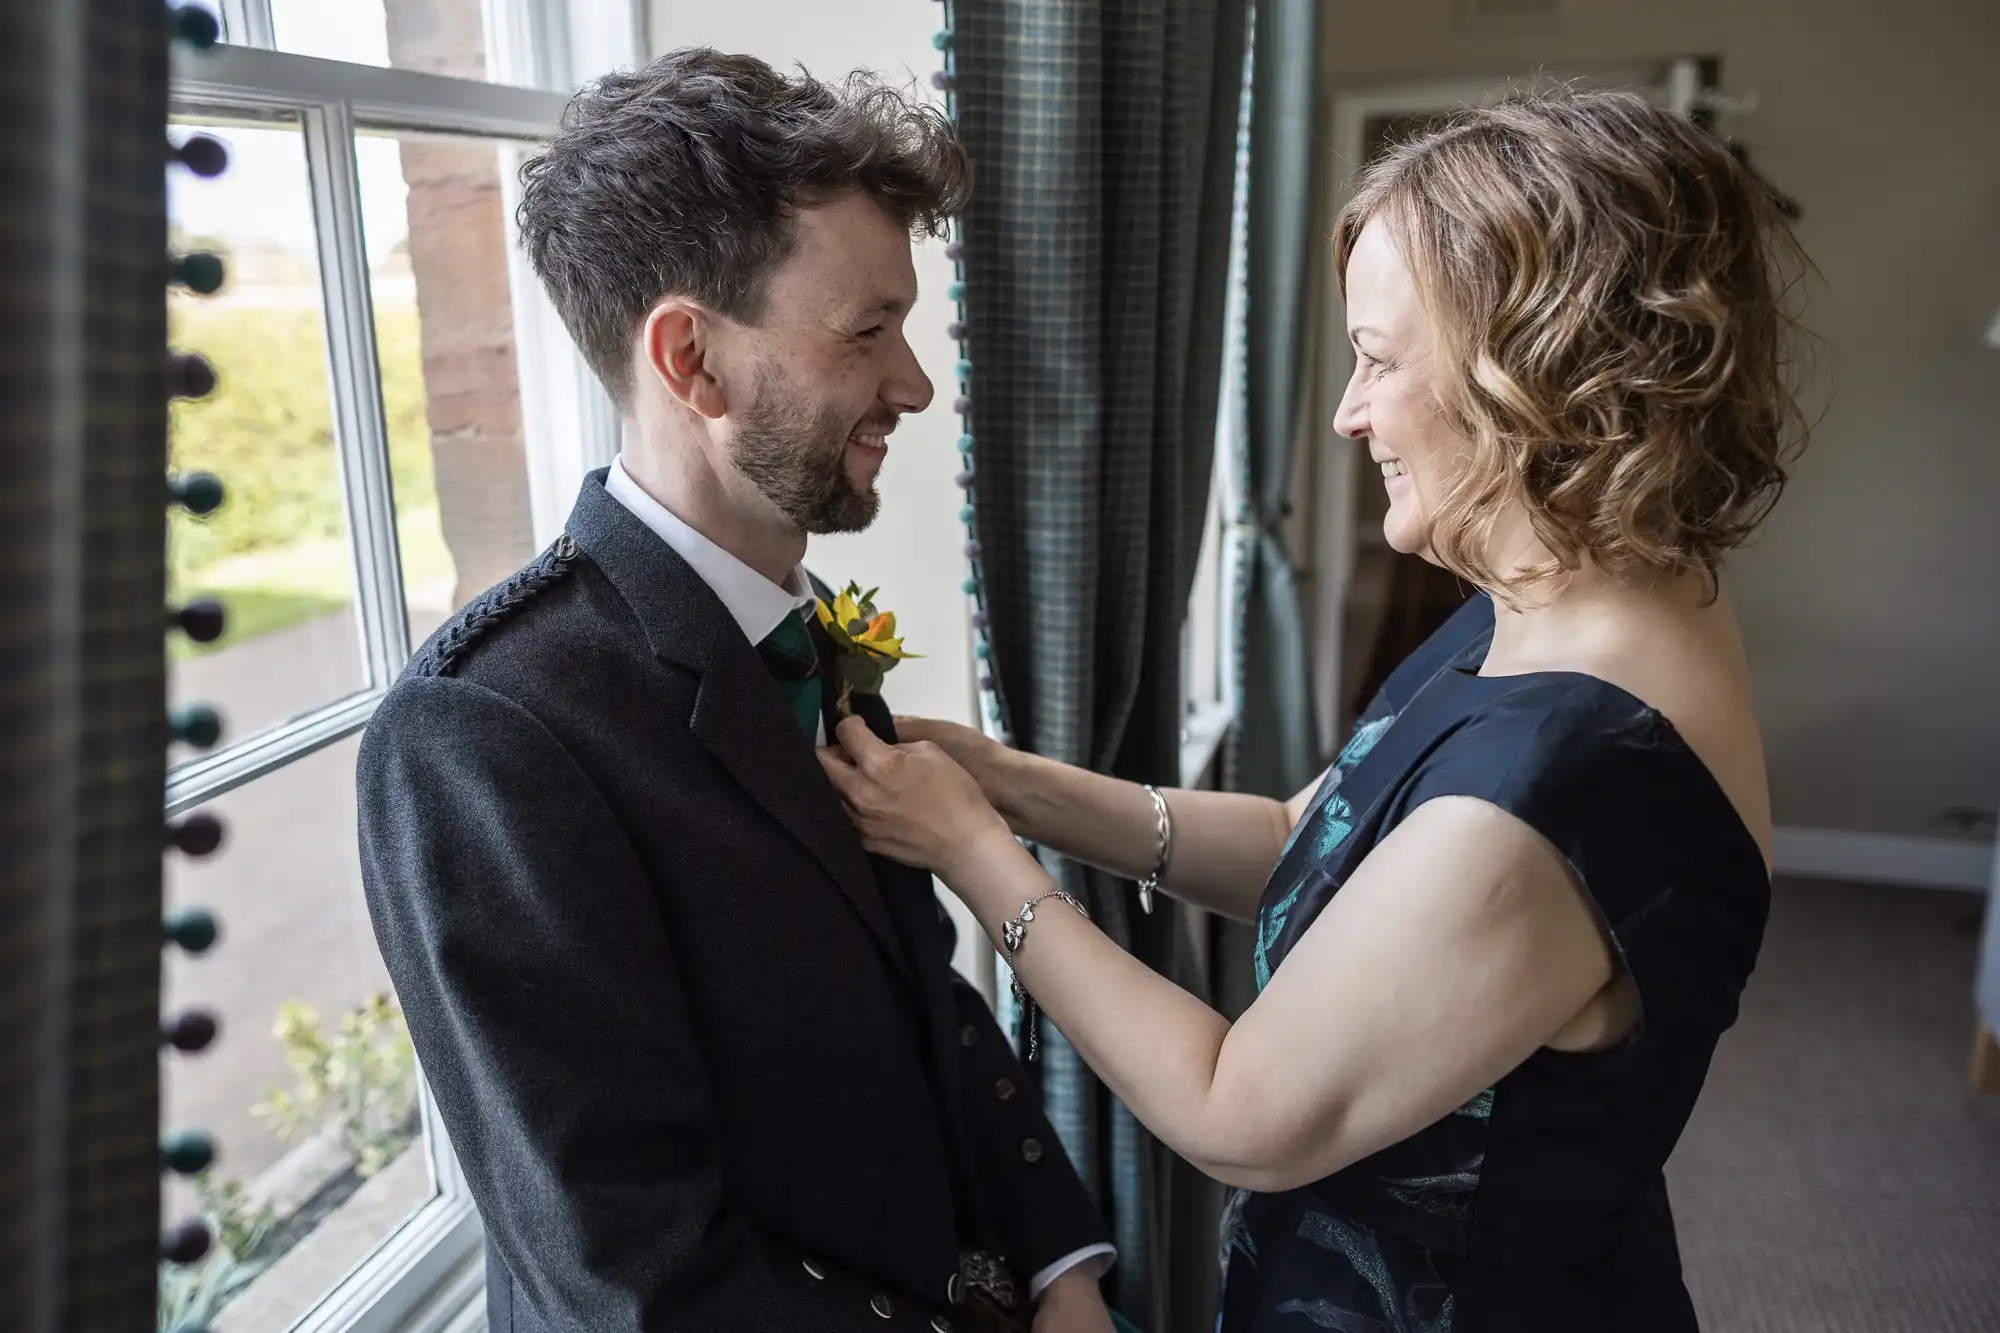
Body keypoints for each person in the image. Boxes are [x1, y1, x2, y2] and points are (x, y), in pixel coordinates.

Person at [821, 88, 1807, 1331]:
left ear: (1538, 365)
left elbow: (1240, 1114)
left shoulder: (1571, 773)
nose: (1346, 410)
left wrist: (977, 857)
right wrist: (1011, 782)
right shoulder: (1559, 594)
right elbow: (1323, 840)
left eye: (1379, 359)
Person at [357, 49, 1118, 1333]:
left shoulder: (803, 630)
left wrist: (1063, 1273)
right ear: (694, 363)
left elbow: (916, 999)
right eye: (868, 332)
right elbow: (640, 1274)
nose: (916, 384)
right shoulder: (484, 737)